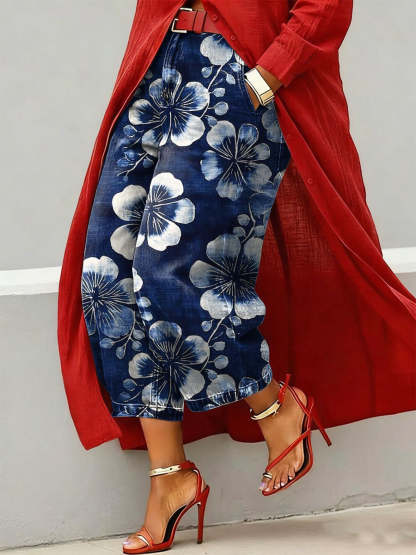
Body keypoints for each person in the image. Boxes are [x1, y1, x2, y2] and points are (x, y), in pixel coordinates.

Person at [57, 1, 416, 553]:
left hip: (236, 66)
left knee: (166, 266)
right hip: (159, 56)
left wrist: (268, 74)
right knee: (108, 274)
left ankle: (274, 404)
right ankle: (170, 475)